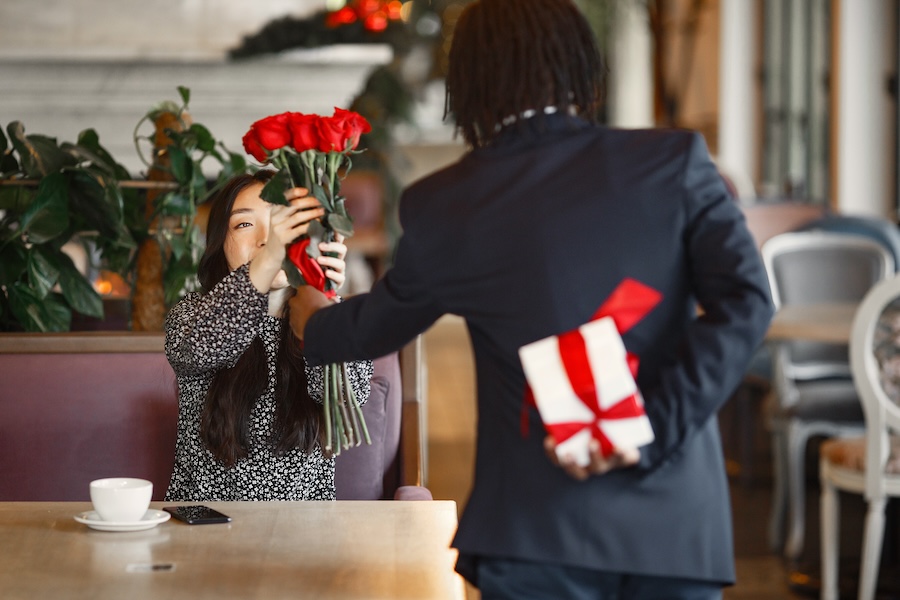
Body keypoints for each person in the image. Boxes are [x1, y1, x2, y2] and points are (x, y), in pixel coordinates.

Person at [289, 0, 774, 597]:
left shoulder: (448, 203)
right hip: (671, 529)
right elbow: (748, 302)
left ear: (469, 82)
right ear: (576, 63)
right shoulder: (674, 163)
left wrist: (312, 317)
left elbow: (375, 327)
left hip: (531, 532)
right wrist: (647, 425)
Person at [164, 170, 373, 502]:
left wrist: (325, 303)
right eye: (245, 224)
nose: (265, 239)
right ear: (220, 243)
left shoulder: (337, 319)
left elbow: (349, 398)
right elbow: (206, 346)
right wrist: (271, 255)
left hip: (304, 537)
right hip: (205, 532)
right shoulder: (191, 316)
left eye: (278, 224)